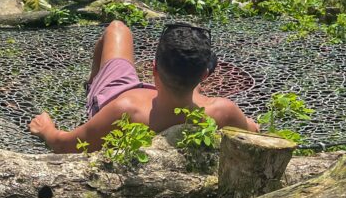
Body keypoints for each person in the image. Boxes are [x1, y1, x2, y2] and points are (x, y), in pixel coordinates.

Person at [29, 20, 259, 153]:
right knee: (192, 95)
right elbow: (252, 132)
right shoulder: (222, 111)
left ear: (154, 69)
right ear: (204, 76)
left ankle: (94, 82)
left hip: (117, 91)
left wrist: (47, 130)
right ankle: (185, 82)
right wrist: (247, 124)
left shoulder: (124, 111)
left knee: (117, 29)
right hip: (183, 95)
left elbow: (67, 145)